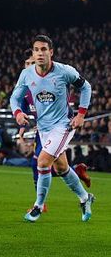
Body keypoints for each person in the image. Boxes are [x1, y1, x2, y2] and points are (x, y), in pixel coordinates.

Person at [10, 35, 94, 222]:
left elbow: (86, 87)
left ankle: (38, 206)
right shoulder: (27, 74)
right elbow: (15, 98)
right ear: (33, 53)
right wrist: (17, 113)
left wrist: (81, 114)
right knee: (62, 167)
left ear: (51, 52)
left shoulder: (65, 71)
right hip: (43, 127)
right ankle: (85, 197)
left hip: (63, 125)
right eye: (36, 50)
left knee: (42, 162)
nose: (40, 53)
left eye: (44, 49)